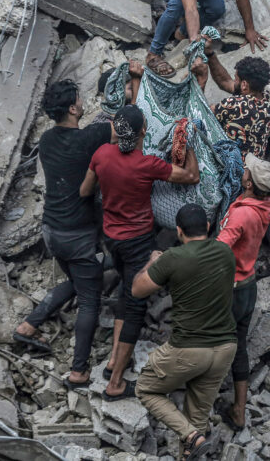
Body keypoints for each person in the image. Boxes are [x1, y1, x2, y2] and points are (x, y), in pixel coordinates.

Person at [80, 105, 200, 400]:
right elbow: (191, 176)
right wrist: (190, 145)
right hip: (137, 243)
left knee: (125, 292)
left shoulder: (101, 156)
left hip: (112, 239)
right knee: (135, 306)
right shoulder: (146, 164)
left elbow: (85, 191)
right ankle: (116, 383)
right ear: (143, 132)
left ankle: (112, 362)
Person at [12, 80, 112, 389]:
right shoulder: (89, 137)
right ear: (72, 108)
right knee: (90, 300)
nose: (83, 102)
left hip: (52, 231)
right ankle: (79, 370)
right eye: (80, 99)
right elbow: (123, 125)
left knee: (77, 281)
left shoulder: (47, 139)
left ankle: (30, 325)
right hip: (77, 235)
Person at [133, 204, 237, 460]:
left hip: (189, 348)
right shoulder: (225, 252)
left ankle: (191, 436)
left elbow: (137, 289)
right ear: (209, 228)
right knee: (197, 417)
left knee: (146, 389)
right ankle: (191, 443)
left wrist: (152, 262)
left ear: (179, 231)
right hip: (224, 348)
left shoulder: (173, 258)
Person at [216, 154, 270, 432]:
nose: (242, 172)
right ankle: (239, 410)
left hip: (229, 288)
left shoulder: (242, 213)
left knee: (210, 342)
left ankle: (198, 405)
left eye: (246, 173)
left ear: (251, 185)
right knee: (238, 346)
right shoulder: (267, 206)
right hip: (248, 286)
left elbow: (219, 249)